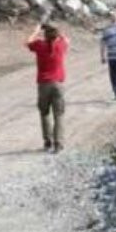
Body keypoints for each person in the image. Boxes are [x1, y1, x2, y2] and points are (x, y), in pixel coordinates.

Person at [26, 23, 69, 153]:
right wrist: (58, 31)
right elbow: (67, 39)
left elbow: (27, 42)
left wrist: (36, 31)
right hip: (58, 83)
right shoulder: (60, 45)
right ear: (56, 36)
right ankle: (58, 143)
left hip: (43, 84)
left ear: (44, 35)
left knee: (44, 114)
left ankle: (47, 141)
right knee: (59, 115)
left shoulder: (40, 45)